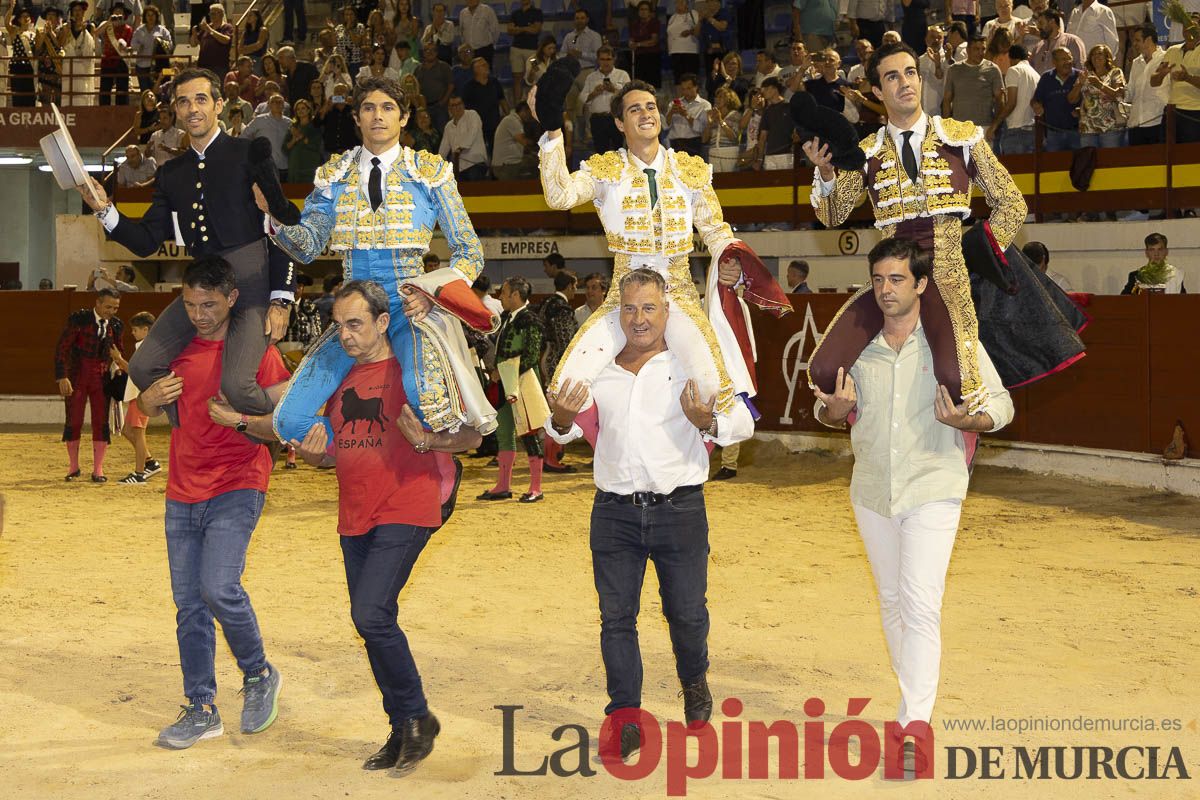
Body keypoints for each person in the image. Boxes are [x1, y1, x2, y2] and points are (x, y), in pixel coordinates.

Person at [222, 279, 477, 773]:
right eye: (338, 325)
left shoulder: (416, 369)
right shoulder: (336, 378)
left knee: (371, 614)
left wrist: (427, 441)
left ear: (383, 322)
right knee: (371, 621)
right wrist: (314, 455)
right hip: (355, 511)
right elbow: (334, 451)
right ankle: (403, 726)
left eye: (355, 324)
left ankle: (416, 717)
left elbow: (471, 436)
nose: (345, 335)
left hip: (409, 504)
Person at [812, 237, 1013, 778]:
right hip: (872, 487)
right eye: (878, 279)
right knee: (893, 603)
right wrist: (834, 411)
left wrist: (968, 421)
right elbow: (826, 411)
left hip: (934, 484)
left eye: (897, 279)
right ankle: (913, 705)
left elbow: (1002, 405)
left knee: (920, 604)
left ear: (921, 284)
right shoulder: (860, 347)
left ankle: (915, 725)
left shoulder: (951, 344)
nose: (886, 289)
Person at [545, 267, 754, 761]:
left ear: (667, 310)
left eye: (649, 308)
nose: (638, 318)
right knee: (616, 619)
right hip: (613, 512)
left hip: (680, 509)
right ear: (616, 312)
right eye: (629, 308)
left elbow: (743, 421)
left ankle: (694, 681)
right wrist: (560, 418)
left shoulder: (693, 362)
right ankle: (625, 717)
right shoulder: (598, 367)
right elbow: (563, 430)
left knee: (687, 614)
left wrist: (708, 420)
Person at [533, 76, 790, 422]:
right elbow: (559, 196)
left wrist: (729, 260)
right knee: (566, 384)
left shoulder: (689, 169)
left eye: (651, 107)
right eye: (634, 109)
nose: (645, 114)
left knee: (712, 386)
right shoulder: (606, 170)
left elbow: (715, 229)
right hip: (623, 297)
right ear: (620, 123)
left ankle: (702, 445)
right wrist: (553, 133)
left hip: (677, 295)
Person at [263, 77, 498, 447]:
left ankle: (431, 462)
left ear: (403, 117)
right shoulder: (335, 174)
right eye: (369, 108)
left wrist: (433, 295)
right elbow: (307, 246)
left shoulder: (429, 172)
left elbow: (469, 250)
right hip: (354, 311)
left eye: (388, 108)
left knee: (429, 401)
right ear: (356, 117)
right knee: (289, 420)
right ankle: (367, 446)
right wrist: (274, 216)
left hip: (409, 306)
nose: (377, 116)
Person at [805, 41, 1032, 416]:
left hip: (946, 275)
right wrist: (826, 173)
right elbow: (833, 215)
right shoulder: (865, 151)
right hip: (891, 279)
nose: (905, 83)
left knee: (957, 382)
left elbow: (1012, 202)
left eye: (910, 73)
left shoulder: (961, 137)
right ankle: (874, 416)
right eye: (892, 77)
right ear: (877, 91)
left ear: (920, 79)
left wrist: (980, 253)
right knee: (824, 370)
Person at [77, 67, 297, 429]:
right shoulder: (171, 173)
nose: (192, 108)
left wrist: (281, 300)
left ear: (218, 105)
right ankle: (197, 429)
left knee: (238, 388)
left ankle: (284, 425)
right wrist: (105, 210)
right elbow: (147, 241)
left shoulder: (250, 154)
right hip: (200, 290)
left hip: (252, 286)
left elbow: (282, 227)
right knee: (143, 367)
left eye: (201, 99)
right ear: (176, 110)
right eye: (183, 102)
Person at [136, 257, 286, 749]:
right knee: (188, 604)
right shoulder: (174, 350)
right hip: (182, 490)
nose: (199, 315)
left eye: (209, 305)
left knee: (219, 588)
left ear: (232, 299)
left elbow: (285, 424)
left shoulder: (257, 353)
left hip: (238, 483)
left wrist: (238, 419)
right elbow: (139, 410)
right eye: (190, 305)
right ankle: (201, 707)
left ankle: (258, 673)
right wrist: (147, 401)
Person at [478, 277, 547, 502]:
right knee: (504, 432)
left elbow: (531, 356)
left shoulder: (530, 320)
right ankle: (503, 486)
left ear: (515, 295)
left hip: (525, 384)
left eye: (504, 293)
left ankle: (536, 488)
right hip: (505, 384)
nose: (500, 297)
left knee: (530, 434)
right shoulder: (509, 318)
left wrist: (503, 371)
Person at [55, 289, 123, 482]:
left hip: (102, 378)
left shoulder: (116, 325)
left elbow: (118, 351)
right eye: (108, 307)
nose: (111, 311)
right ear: (98, 303)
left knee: (101, 422)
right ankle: (73, 467)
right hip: (77, 376)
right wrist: (62, 376)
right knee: (74, 420)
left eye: (115, 308)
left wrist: (118, 367)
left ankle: (98, 469)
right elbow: (62, 349)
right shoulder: (80, 320)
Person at [108, 311, 162, 484]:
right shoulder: (148, 346)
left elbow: (136, 372)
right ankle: (150, 463)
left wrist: (119, 359)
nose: (132, 333)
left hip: (141, 395)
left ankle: (139, 474)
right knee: (127, 431)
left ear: (146, 330)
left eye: (135, 330)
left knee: (138, 434)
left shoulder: (146, 348)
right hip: (138, 394)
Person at [539, 269, 580, 474]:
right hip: (558, 360)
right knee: (557, 408)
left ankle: (550, 456)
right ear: (569, 286)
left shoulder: (547, 303)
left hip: (546, 356)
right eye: (575, 286)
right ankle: (552, 459)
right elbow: (565, 340)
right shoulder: (562, 308)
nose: (576, 290)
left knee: (552, 407)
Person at [942, 34, 1005, 137]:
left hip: (984, 127)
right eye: (976, 49)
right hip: (959, 127)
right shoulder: (954, 70)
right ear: (968, 50)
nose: (980, 53)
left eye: (983, 49)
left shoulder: (993, 69)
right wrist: (947, 127)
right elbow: (946, 100)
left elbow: (1000, 100)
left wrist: (994, 126)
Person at [1152, 12, 1200, 145]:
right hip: (1172, 111)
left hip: (1195, 112)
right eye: (1185, 26)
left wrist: (1187, 78)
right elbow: (1153, 82)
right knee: (1169, 154)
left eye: (1193, 26)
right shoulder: (1172, 50)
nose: (1188, 29)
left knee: (1192, 154)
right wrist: (1161, 74)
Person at [581, 47, 632, 156]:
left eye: (608, 59)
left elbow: (630, 96)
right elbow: (582, 98)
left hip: (616, 118)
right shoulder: (591, 77)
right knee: (600, 153)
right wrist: (594, 93)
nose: (605, 62)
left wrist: (614, 90)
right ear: (598, 60)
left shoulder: (622, 75)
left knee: (620, 152)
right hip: (598, 119)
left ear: (614, 59)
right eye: (602, 59)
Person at [1074, 44, 1126, 149]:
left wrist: (1100, 85)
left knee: (1109, 158)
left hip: (1110, 127)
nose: (1096, 56)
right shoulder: (1086, 74)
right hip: (1087, 127)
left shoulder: (1115, 72)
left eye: (1100, 54)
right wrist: (1080, 84)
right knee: (1087, 157)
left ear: (1107, 57)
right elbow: (1071, 99)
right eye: (1093, 54)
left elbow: (1119, 95)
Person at [1125, 23, 1168, 147]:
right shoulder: (1136, 62)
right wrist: (1118, 91)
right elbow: (1129, 94)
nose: (1134, 44)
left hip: (1157, 122)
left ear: (1148, 40)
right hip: (1135, 124)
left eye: (1137, 40)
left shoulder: (1166, 58)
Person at [1032, 47, 1082, 152]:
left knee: (1080, 161)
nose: (1067, 62)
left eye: (1069, 58)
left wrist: (1081, 110)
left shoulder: (1080, 76)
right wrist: (1036, 105)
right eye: (1063, 59)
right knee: (1054, 162)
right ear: (1054, 62)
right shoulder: (1046, 77)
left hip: (1077, 132)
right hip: (1053, 134)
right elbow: (1036, 100)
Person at [461, 57, 508, 152]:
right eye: (483, 65)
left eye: (486, 64)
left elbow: (502, 99)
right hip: (477, 125)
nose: (487, 66)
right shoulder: (468, 87)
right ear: (475, 70)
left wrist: (507, 116)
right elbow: (465, 107)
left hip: (494, 123)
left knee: (495, 150)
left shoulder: (494, 82)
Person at [242, 93, 293, 181]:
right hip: (263, 167)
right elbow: (244, 135)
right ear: (269, 105)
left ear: (284, 105)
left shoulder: (289, 123)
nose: (277, 104)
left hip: (284, 166)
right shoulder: (259, 120)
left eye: (280, 102)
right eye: (274, 102)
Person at [998, 44, 1038, 154]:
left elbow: (1011, 103)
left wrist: (995, 125)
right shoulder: (1036, 75)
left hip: (1015, 131)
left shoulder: (1013, 71)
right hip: (1032, 129)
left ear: (1011, 58)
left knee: (1013, 164)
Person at [439, 95, 488, 181]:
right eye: (454, 105)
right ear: (449, 108)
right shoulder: (448, 126)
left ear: (463, 104)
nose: (457, 107)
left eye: (459, 104)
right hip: (458, 168)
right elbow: (443, 149)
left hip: (475, 164)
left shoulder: (472, 115)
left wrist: (459, 149)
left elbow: (472, 134)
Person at [1121, 233, 1187, 294]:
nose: (1156, 254)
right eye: (1152, 250)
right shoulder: (1136, 276)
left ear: (1166, 252)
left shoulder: (1175, 275)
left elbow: (1183, 301)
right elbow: (1123, 300)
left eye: (1160, 249)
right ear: (1146, 253)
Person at [96, 1, 134, 105]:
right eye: (115, 12)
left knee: (122, 91)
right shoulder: (107, 25)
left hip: (121, 61)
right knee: (105, 90)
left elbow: (130, 46)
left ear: (124, 15)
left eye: (120, 12)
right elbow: (96, 33)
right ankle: (104, 110)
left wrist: (125, 48)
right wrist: (109, 21)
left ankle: (121, 111)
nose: (117, 14)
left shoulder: (128, 29)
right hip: (107, 61)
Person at [60, 0, 97, 106]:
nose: (77, 13)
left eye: (79, 10)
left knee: (83, 91)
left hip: (83, 65)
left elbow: (92, 46)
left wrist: (85, 32)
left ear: (83, 12)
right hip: (69, 65)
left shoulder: (90, 26)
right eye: (74, 10)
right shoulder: (66, 26)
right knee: (69, 90)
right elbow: (61, 44)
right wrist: (66, 31)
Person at [666, 73, 710, 159]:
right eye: (683, 89)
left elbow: (702, 128)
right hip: (675, 143)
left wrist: (686, 115)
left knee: (694, 167)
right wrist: (671, 113)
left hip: (693, 143)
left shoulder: (705, 105)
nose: (685, 92)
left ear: (696, 87)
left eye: (689, 88)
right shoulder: (673, 103)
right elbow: (666, 125)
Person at [755, 76, 795, 170]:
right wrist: (760, 159)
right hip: (770, 155)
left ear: (775, 89)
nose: (763, 92)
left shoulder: (789, 107)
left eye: (766, 89)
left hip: (787, 154)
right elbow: (763, 137)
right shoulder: (767, 111)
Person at [1030, 9, 1086, 75]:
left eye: (1041, 23)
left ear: (1052, 22)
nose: (1038, 27)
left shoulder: (1072, 41)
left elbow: (1080, 69)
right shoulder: (1038, 47)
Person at [130, 3, 170, 92]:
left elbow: (170, 45)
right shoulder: (139, 30)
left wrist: (160, 42)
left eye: (153, 15)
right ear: (145, 16)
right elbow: (133, 44)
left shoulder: (162, 30)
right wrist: (138, 46)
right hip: (142, 65)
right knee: (145, 92)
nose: (150, 17)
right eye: (148, 15)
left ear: (156, 16)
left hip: (158, 66)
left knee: (159, 92)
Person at [492, 102, 538, 180]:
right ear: (524, 110)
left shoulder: (515, 121)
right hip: (505, 165)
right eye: (530, 113)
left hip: (509, 163)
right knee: (537, 166)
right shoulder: (512, 120)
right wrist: (537, 144)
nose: (531, 116)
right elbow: (524, 142)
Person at [704, 85, 743, 172]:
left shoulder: (735, 115)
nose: (717, 99)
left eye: (721, 97)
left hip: (729, 152)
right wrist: (709, 124)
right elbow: (704, 139)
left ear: (729, 100)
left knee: (730, 178)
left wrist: (720, 121)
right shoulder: (713, 115)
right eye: (716, 97)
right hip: (713, 152)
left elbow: (734, 138)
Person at [284, 98, 324, 183]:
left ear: (308, 110)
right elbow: (284, 148)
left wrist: (300, 136)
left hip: (310, 165)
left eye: (303, 108)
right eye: (298, 109)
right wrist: (294, 140)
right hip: (294, 166)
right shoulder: (293, 127)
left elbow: (315, 145)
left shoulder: (315, 126)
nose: (300, 111)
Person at [415, 42, 454, 128]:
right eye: (427, 50)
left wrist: (443, 101)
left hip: (440, 107)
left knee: (442, 131)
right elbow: (415, 88)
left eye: (433, 50)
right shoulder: (418, 69)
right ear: (423, 53)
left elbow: (451, 85)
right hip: (424, 108)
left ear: (437, 52)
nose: (430, 52)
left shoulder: (444, 66)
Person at [191, 3, 233, 75]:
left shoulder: (226, 27)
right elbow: (194, 44)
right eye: (210, 14)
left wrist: (210, 30)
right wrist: (194, 34)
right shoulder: (207, 27)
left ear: (221, 14)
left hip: (219, 67)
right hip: (203, 66)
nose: (211, 16)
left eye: (213, 14)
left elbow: (226, 40)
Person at [629, 0, 662, 87]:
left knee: (652, 84)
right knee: (640, 85)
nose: (643, 12)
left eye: (645, 9)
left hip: (652, 55)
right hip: (638, 56)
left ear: (650, 12)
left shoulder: (654, 23)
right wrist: (631, 43)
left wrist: (638, 44)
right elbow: (632, 39)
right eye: (641, 9)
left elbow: (653, 41)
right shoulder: (635, 24)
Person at [667, 0, 701, 83]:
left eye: (682, 2)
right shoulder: (672, 17)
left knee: (690, 80)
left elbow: (699, 31)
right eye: (677, 2)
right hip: (675, 52)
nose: (680, 4)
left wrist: (689, 32)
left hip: (690, 52)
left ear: (687, 3)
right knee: (678, 80)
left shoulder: (693, 14)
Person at [278, 46, 320, 112]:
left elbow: (319, 85)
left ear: (290, 58)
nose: (279, 61)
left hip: (309, 108)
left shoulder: (307, 68)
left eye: (281, 58)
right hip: (295, 109)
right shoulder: (287, 73)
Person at [458, 0, 499, 66]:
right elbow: (461, 32)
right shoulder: (462, 13)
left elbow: (495, 30)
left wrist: (492, 45)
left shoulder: (487, 10)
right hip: (469, 51)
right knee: (470, 71)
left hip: (484, 50)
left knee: (485, 71)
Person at [918, 25, 947, 117]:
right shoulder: (920, 60)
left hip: (939, 114)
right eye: (932, 37)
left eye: (939, 37)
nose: (936, 40)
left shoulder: (947, 60)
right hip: (920, 113)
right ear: (926, 39)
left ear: (943, 40)